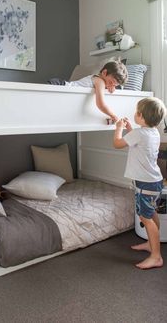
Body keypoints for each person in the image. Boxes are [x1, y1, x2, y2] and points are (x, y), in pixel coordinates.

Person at [113, 97, 166, 269]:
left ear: (142, 116)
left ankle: (156, 256)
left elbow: (117, 143)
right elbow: (139, 143)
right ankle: (152, 245)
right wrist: (130, 128)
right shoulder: (152, 132)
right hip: (154, 182)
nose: (134, 114)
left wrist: (119, 129)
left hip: (146, 184)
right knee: (152, 214)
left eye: (137, 112)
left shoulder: (140, 134)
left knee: (145, 217)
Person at [50, 59, 128, 122]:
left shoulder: (98, 79)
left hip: (61, 84)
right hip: (60, 85)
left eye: (114, 85)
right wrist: (112, 115)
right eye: (111, 82)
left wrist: (110, 85)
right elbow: (100, 104)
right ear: (104, 73)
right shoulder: (100, 82)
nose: (111, 86)